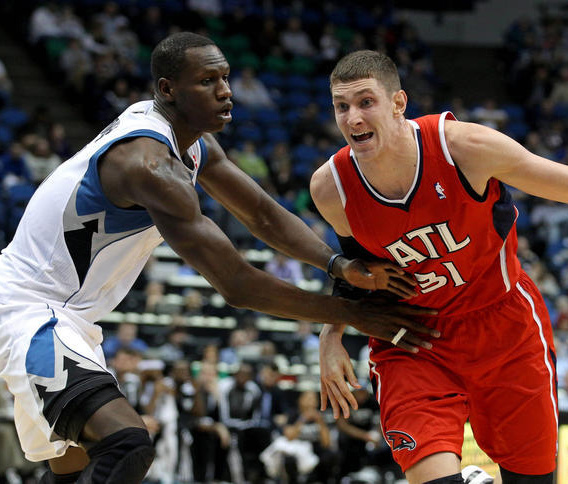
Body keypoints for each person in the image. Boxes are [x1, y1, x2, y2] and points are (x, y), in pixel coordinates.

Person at [0, 33, 433, 484]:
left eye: (225, 78)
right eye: (207, 81)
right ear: (168, 90)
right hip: (28, 309)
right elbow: (237, 285)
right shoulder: (148, 164)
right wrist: (355, 314)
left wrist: (335, 264)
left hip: (71, 316)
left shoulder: (190, 144)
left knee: (78, 466)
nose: (225, 91)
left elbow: (262, 214)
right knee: (125, 444)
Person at [309, 49, 568, 484]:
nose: (352, 118)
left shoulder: (465, 147)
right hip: (412, 335)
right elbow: (355, 273)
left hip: (503, 326)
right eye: (342, 106)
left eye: (366, 102)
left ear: (398, 103)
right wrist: (331, 333)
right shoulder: (331, 188)